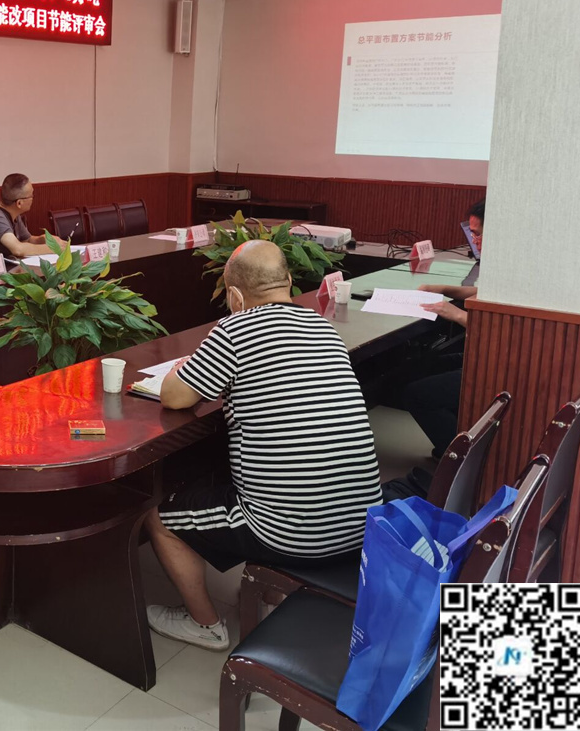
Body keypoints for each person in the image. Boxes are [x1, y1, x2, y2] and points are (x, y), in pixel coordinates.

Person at [144, 240, 382, 650]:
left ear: (234, 296)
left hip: (293, 533)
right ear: (288, 280)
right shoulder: (323, 328)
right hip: (362, 521)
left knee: (159, 519)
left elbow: (174, 397)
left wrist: (183, 368)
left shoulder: (234, 330)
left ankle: (204, 625)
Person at [400, 199, 486, 454]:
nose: (474, 241)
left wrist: (456, 314)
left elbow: (499, 328)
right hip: (480, 355)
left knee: (417, 395)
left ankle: (461, 459)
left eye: (478, 234)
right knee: (420, 365)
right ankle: (454, 438)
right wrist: (441, 289)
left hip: (493, 367)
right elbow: (479, 292)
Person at [0, 173, 61, 258]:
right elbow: (18, 249)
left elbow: (28, 240)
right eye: (31, 195)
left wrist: (45, 239)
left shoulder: (14, 214)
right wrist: (55, 248)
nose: (33, 198)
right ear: (19, 203)